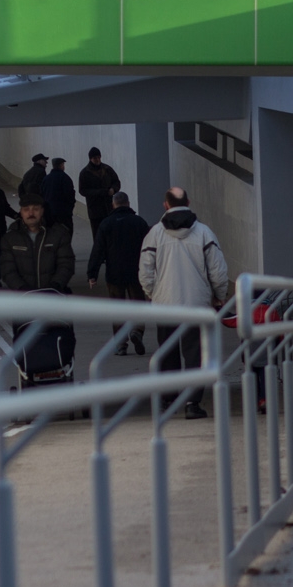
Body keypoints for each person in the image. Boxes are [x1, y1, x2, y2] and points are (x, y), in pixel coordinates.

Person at [139, 187, 229, 419]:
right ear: (188, 202)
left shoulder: (155, 234)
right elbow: (218, 271)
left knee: (167, 351)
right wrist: (220, 295)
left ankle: (169, 399)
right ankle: (192, 403)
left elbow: (145, 271)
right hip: (196, 305)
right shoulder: (203, 232)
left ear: (165, 205)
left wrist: (152, 293)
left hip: (165, 303)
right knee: (195, 353)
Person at [87, 192, 151, 355]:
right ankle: (137, 330)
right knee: (138, 304)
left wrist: (92, 274)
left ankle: (121, 344)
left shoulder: (106, 224)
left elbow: (98, 250)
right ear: (128, 204)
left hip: (114, 273)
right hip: (136, 272)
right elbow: (149, 249)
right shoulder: (139, 223)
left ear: (113, 204)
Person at [0, 193, 75, 293]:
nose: (31, 213)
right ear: (21, 212)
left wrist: (54, 286)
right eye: (26, 209)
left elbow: (66, 264)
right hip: (23, 299)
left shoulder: (59, 234)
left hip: (52, 297)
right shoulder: (10, 238)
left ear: (42, 211)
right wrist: (22, 289)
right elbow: (7, 269)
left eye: (35, 209)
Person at [77, 147, 122, 241]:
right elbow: (82, 190)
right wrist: (99, 192)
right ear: (90, 159)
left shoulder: (107, 169)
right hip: (94, 209)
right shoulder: (85, 173)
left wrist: (113, 189)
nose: (97, 160)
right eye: (95, 158)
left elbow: (116, 182)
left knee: (110, 232)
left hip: (108, 207)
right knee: (97, 233)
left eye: (98, 157)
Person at [40, 157, 77, 234]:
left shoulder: (46, 178)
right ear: (61, 165)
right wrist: (70, 208)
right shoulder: (65, 178)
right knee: (66, 232)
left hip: (49, 212)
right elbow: (70, 195)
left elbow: (42, 194)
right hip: (63, 212)